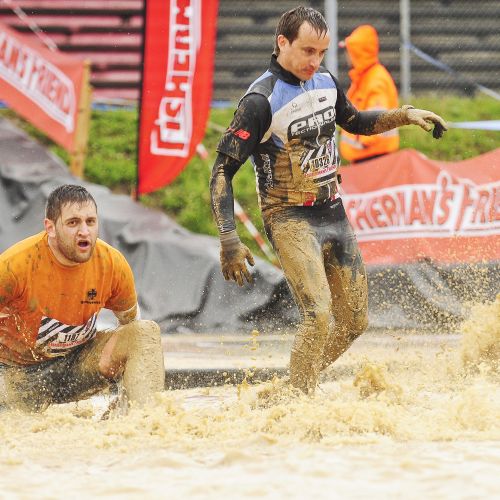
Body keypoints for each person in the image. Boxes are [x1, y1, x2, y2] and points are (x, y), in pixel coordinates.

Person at [210, 6, 447, 394]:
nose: (314, 61)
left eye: (321, 53)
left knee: (354, 322)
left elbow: (356, 122)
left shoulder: (324, 81)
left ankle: (293, 386)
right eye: (307, 51)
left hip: (333, 212)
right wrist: (228, 239)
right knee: (318, 315)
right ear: (282, 42)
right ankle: (301, 401)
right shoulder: (259, 101)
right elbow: (221, 171)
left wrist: (405, 115)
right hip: (289, 217)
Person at [0, 184, 165, 412]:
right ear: (50, 228)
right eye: (73, 223)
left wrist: (127, 389)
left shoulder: (112, 264)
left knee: (145, 332)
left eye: (90, 221)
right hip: (16, 374)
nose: (84, 232)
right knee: (16, 424)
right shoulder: (15, 266)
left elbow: (132, 326)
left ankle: (143, 421)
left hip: (77, 365)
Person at [339, 24, 400, 163]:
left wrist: (362, 144)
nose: (346, 55)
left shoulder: (375, 80)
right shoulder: (364, 77)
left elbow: (378, 121)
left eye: (349, 50)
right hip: (368, 157)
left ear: (357, 52)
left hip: (374, 158)